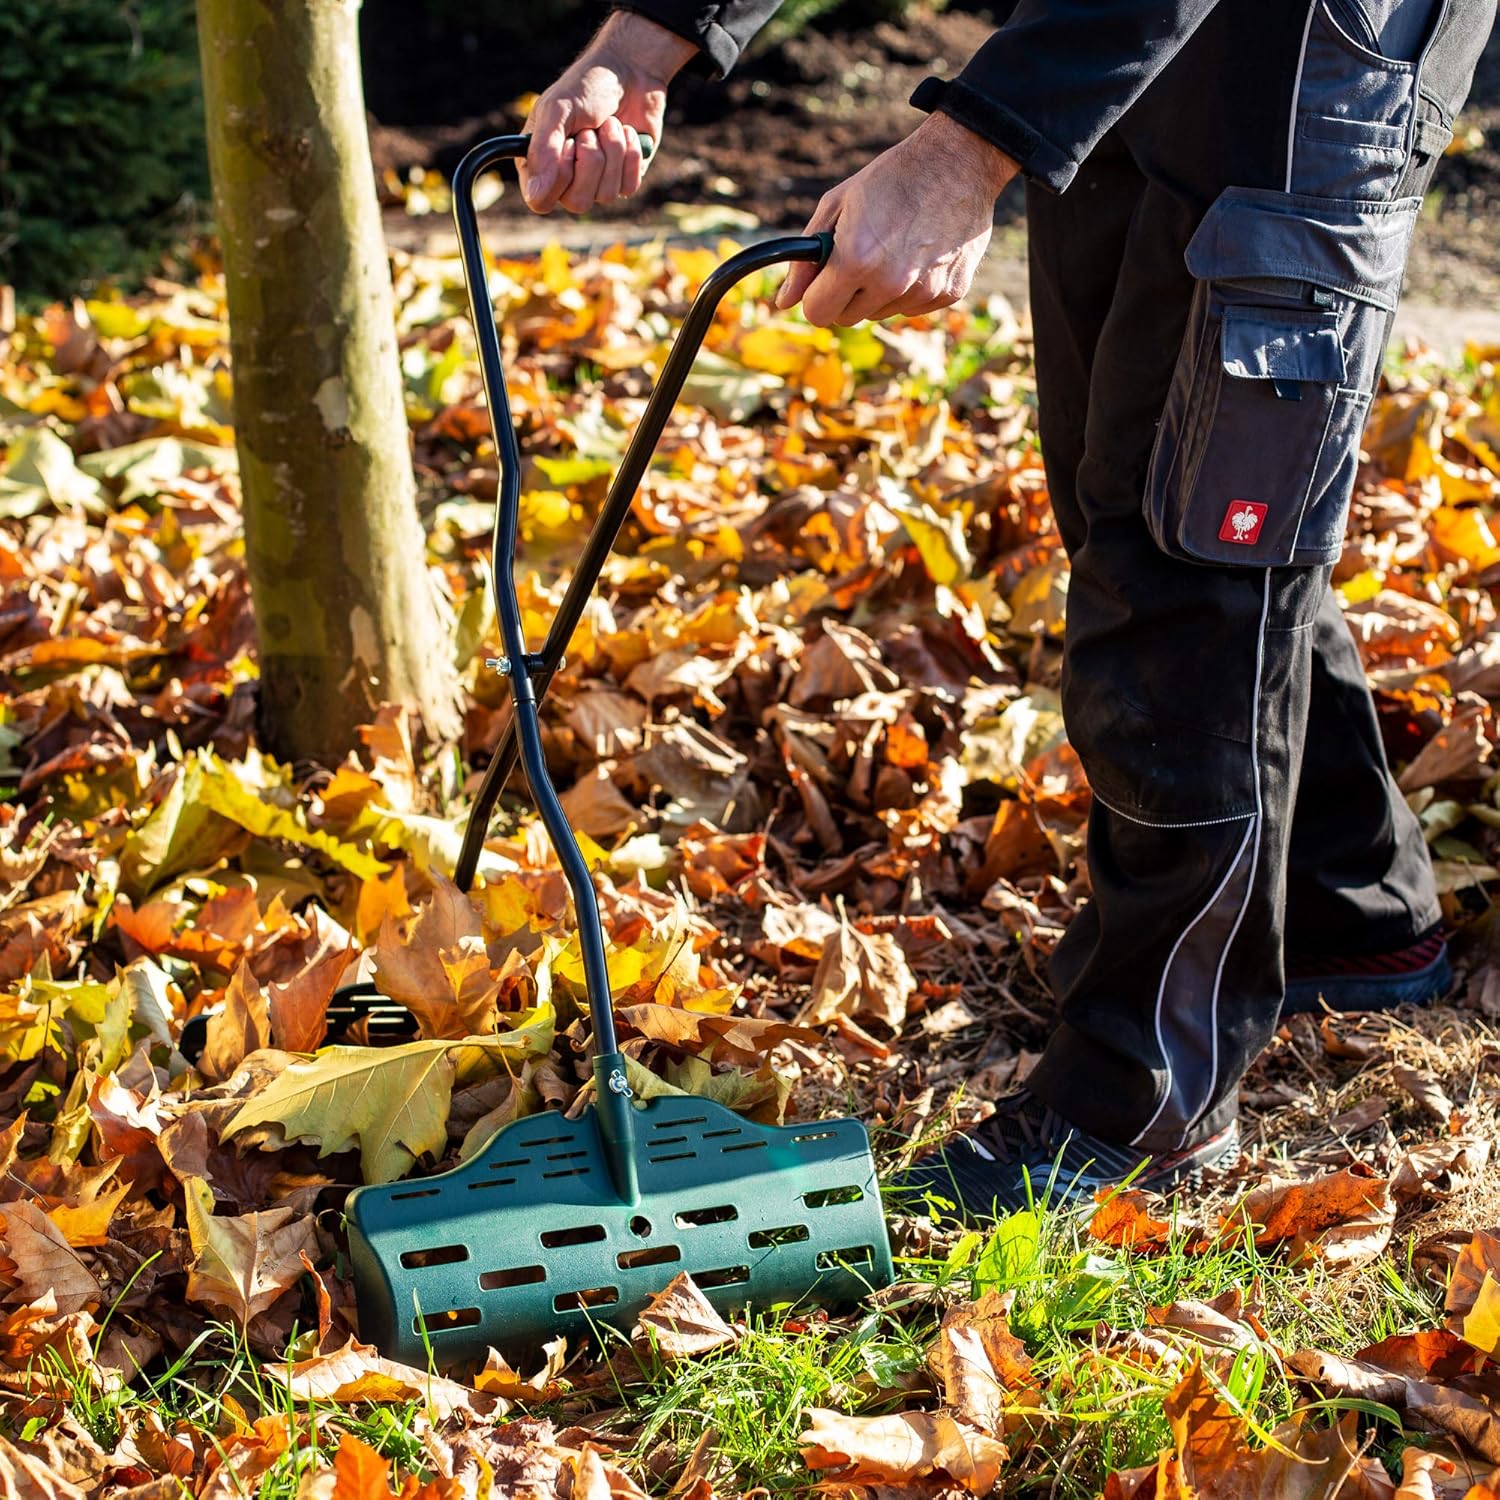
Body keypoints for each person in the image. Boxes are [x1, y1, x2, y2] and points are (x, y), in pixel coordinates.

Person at [518, 0, 1495, 1221]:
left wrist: (959, 155)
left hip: (1323, 43)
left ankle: (1147, 1093)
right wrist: (644, 46)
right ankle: (1351, 909)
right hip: (1123, 32)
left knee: (1194, 544)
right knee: (1130, 481)